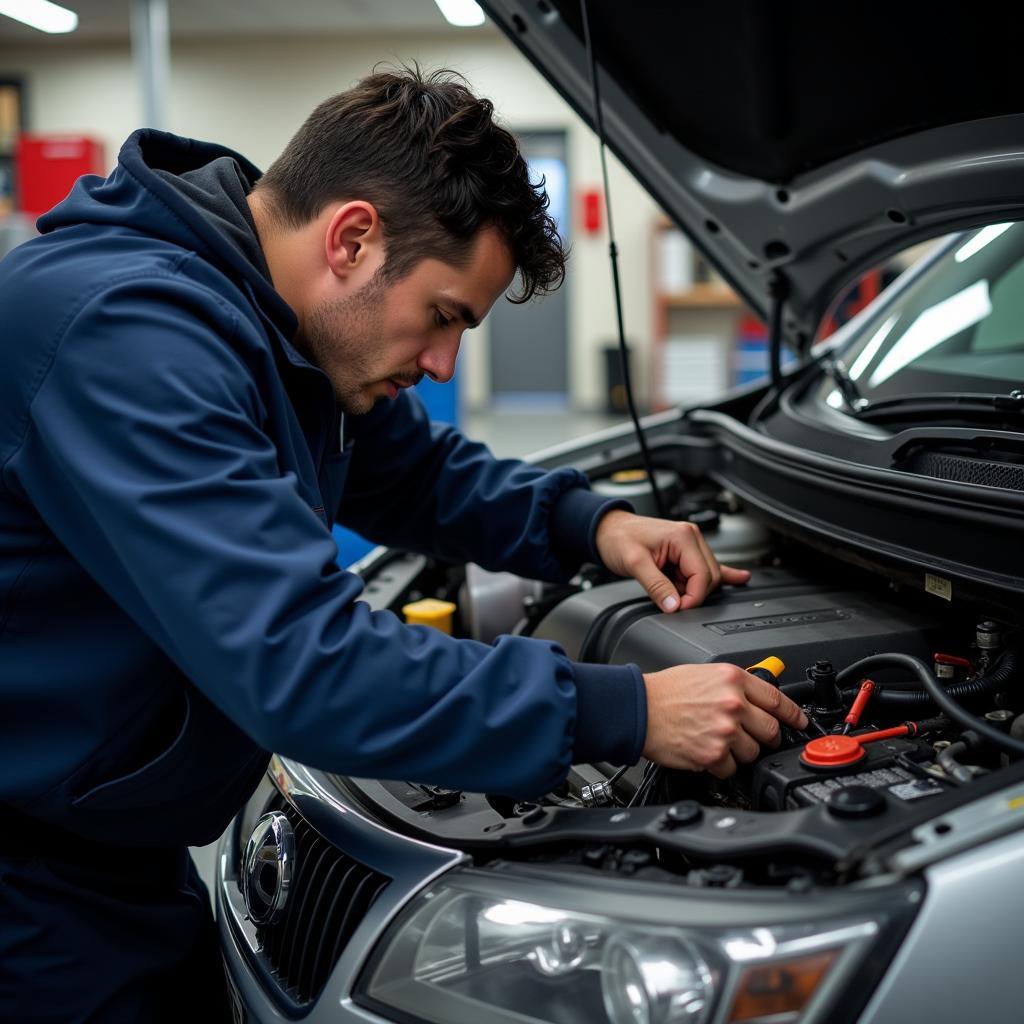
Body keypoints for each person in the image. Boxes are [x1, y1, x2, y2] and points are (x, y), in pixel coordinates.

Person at [0, 67, 806, 1021]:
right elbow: (306, 665)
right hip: (28, 878)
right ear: (351, 238)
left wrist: (593, 524)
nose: (441, 365)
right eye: (445, 316)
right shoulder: (127, 334)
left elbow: (418, 477)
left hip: (109, 839)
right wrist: (624, 711)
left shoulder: (273, 317)